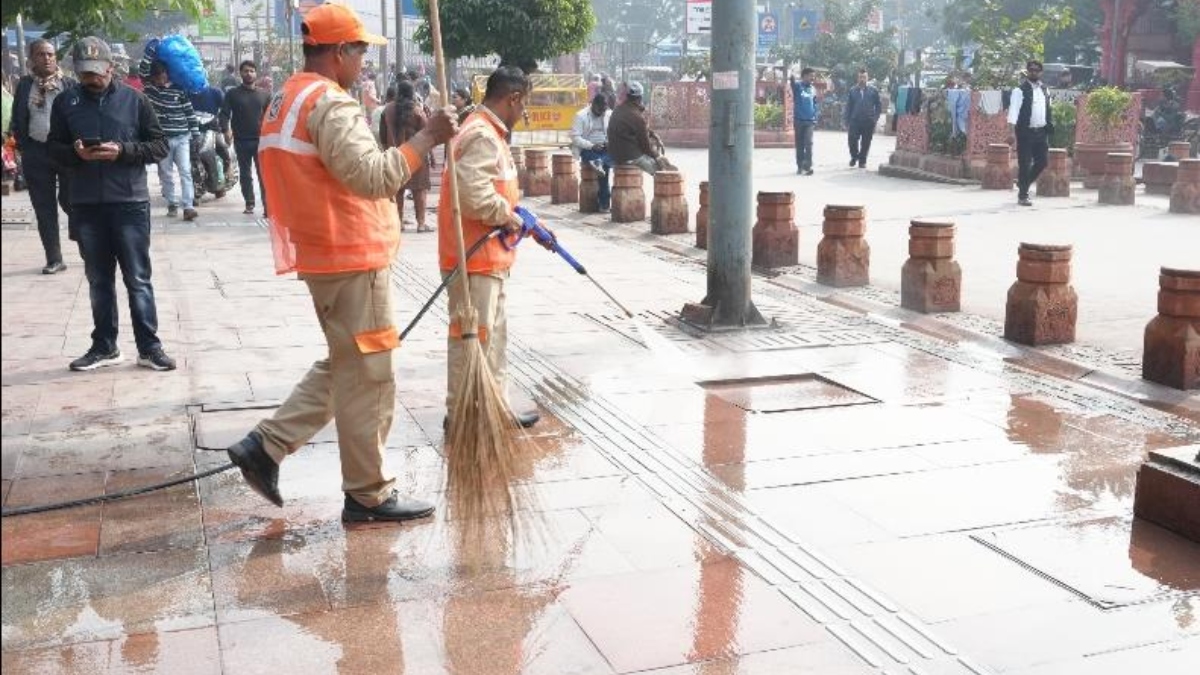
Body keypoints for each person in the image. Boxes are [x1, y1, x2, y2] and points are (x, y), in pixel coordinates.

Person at [223, 3, 458, 523]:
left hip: (323, 253)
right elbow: (373, 177)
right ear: (337, 52)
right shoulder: (329, 104)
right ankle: (368, 493)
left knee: (347, 363)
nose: (363, 63)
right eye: (359, 52)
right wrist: (426, 139)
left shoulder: (286, 97)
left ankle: (266, 446)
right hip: (351, 255)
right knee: (371, 373)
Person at [48, 37, 175, 372]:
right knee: (98, 280)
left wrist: (124, 151)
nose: (93, 78)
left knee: (138, 279)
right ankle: (104, 345)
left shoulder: (135, 100)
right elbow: (53, 149)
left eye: (98, 72)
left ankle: (149, 347)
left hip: (129, 203)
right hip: (86, 203)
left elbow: (160, 145)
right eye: (85, 73)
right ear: (76, 71)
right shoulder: (66, 102)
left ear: (111, 67)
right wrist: (74, 154)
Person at [439, 66, 553, 431]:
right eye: (525, 105)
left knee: (492, 340)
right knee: (471, 340)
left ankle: (493, 407)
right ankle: (461, 416)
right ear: (513, 98)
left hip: (489, 259)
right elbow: (473, 196)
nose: (524, 113)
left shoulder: (488, 132)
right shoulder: (482, 135)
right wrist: (507, 217)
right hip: (473, 258)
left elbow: (495, 188)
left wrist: (526, 220)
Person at [9, 39, 75, 274]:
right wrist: (23, 145)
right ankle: (54, 258)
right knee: (44, 207)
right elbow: (17, 117)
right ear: (31, 59)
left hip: (65, 151)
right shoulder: (25, 85)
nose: (46, 58)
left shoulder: (68, 85)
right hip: (36, 152)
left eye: (50, 54)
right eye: (41, 54)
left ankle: (87, 241)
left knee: (71, 200)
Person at [142, 59, 200, 220]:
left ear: (167, 74)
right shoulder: (149, 91)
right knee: (165, 173)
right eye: (157, 77)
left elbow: (189, 112)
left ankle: (188, 206)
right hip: (162, 140)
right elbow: (143, 70)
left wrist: (195, 135)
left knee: (185, 171)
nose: (161, 80)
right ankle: (172, 203)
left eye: (162, 75)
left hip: (182, 137)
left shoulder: (179, 90)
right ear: (153, 77)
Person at [380, 80, 433, 233]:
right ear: (412, 93)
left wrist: (386, 150)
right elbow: (427, 133)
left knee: (398, 190)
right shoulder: (418, 111)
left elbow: (383, 135)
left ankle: (399, 222)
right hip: (417, 155)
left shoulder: (387, 110)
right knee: (419, 190)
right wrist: (430, 155)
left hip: (395, 154)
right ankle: (421, 224)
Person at [220, 60, 271, 216]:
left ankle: (267, 207)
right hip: (241, 141)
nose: (248, 73)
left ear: (256, 73)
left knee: (263, 175)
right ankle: (249, 203)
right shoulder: (232, 94)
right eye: (245, 71)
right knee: (245, 174)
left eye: (251, 71)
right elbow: (224, 114)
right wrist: (226, 130)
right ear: (240, 74)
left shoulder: (264, 95)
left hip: (261, 141)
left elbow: (273, 117)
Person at [1008, 60, 1054, 207]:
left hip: (1041, 132)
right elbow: (1013, 111)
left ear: (1041, 72)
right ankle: (1023, 195)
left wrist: (1050, 126)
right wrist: (1011, 132)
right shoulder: (1019, 91)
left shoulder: (1045, 90)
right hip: (1025, 132)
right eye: (1031, 70)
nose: (1034, 72)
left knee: (1042, 162)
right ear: (1027, 71)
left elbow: (1048, 110)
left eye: (1037, 70)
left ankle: (1024, 183)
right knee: (1025, 163)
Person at [608, 81, 674, 174]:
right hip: (629, 156)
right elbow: (645, 146)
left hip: (615, 154)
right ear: (640, 98)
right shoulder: (636, 116)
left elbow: (639, 129)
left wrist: (652, 134)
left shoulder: (618, 110)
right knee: (663, 173)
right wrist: (658, 156)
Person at [570, 93, 613, 211]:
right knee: (605, 170)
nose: (602, 113)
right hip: (587, 148)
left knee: (611, 159)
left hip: (604, 148)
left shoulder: (608, 114)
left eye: (604, 110)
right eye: (599, 110)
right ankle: (604, 204)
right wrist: (592, 146)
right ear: (593, 105)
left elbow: (613, 133)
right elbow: (575, 137)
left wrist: (609, 142)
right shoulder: (581, 116)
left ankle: (599, 162)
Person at [844, 68, 882, 168]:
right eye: (860, 77)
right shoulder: (852, 91)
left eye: (864, 77)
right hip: (855, 120)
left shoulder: (873, 91)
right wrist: (846, 121)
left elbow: (878, 106)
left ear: (867, 78)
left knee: (866, 142)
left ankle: (862, 160)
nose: (862, 79)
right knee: (852, 140)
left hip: (868, 121)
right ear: (858, 78)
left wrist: (875, 118)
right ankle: (854, 156)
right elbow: (848, 107)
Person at [790, 67, 819, 175]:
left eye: (813, 76)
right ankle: (800, 166)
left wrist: (815, 115)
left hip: (810, 121)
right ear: (805, 76)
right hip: (798, 120)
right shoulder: (798, 86)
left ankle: (807, 165)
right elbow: (792, 84)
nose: (813, 78)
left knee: (809, 143)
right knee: (800, 144)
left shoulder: (813, 89)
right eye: (811, 75)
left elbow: (815, 103)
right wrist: (791, 76)